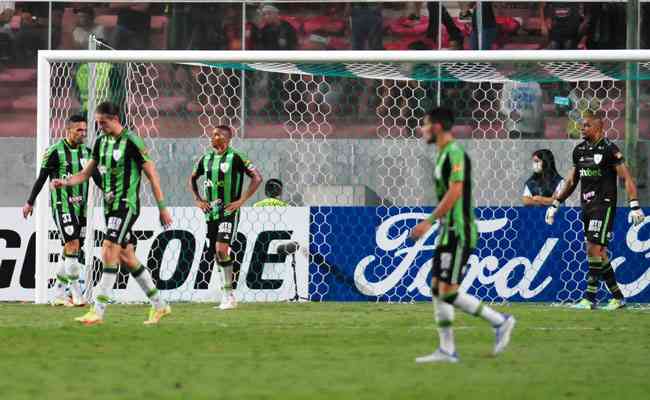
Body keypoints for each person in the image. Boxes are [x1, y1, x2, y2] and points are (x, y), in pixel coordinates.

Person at [51, 102, 173, 325]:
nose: (99, 127)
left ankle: (98, 310)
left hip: (126, 205)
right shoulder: (100, 142)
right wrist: (65, 182)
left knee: (108, 250)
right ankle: (160, 305)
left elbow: (152, 175)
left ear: (115, 118)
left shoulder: (132, 141)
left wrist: (162, 207)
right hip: (109, 208)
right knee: (127, 256)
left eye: (103, 123)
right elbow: (86, 173)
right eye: (97, 123)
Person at [411, 107, 515, 364]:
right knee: (437, 288)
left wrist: (428, 221)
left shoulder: (454, 153)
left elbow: (456, 191)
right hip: (448, 232)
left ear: (436, 126)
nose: (421, 129)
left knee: (447, 290)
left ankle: (500, 321)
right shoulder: (443, 154)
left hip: (459, 231)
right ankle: (447, 350)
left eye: (424, 124)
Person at [545, 110, 645, 310]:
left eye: (586, 125)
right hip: (587, 206)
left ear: (599, 128)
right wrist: (556, 203)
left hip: (604, 204)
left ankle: (590, 298)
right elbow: (573, 181)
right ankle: (618, 297)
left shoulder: (610, 150)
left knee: (592, 248)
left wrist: (634, 205)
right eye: (581, 126)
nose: (582, 128)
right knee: (599, 253)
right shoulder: (579, 150)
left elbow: (626, 177)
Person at [22, 114, 100, 307]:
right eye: (78, 130)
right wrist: (30, 202)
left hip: (81, 208)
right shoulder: (55, 151)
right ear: (69, 130)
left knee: (70, 250)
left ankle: (58, 292)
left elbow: (97, 177)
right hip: (62, 206)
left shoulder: (88, 152)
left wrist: (109, 193)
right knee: (72, 245)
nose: (82, 133)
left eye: (84, 130)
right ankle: (77, 294)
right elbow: (41, 179)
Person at [189, 126, 262, 310]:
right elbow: (192, 178)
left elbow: (257, 177)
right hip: (211, 213)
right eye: (212, 134)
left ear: (227, 138)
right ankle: (226, 295)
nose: (213, 137)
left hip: (229, 212)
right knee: (216, 252)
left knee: (221, 249)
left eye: (217, 134)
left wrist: (241, 201)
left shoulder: (236, 157)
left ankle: (229, 296)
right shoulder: (206, 158)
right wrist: (198, 199)